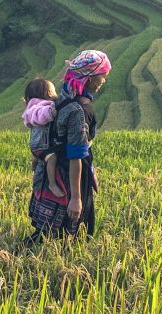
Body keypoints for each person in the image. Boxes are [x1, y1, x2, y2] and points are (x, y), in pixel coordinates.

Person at [46, 50, 113, 238]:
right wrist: (76, 198)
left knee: (55, 227)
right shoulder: (79, 110)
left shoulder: (66, 98)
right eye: (102, 76)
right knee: (76, 229)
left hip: (60, 167)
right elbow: (76, 154)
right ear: (90, 78)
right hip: (72, 173)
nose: (103, 81)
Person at [22, 78, 64, 199]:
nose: (55, 94)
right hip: (41, 146)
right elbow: (39, 115)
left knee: (40, 161)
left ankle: (35, 165)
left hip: (39, 147)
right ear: (48, 93)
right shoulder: (37, 107)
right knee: (52, 158)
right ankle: (52, 184)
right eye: (53, 91)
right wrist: (50, 112)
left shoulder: (36, 105)